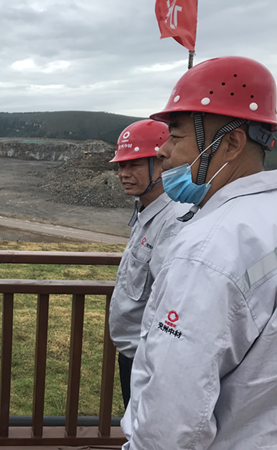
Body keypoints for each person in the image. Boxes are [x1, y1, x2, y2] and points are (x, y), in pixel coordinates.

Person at [122, 56, 277, 449]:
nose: (163, 151)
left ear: (231, 144)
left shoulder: (208, 249)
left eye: (175, 137)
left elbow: (172, 419)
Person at [108, 119, 190, 409]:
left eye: (134, 165)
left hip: (149, 362)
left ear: (161, 163)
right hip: (134, 355)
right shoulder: (148, 212)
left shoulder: (173, 222)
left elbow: (171, 303)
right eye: (121, 166)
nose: (124, 174)